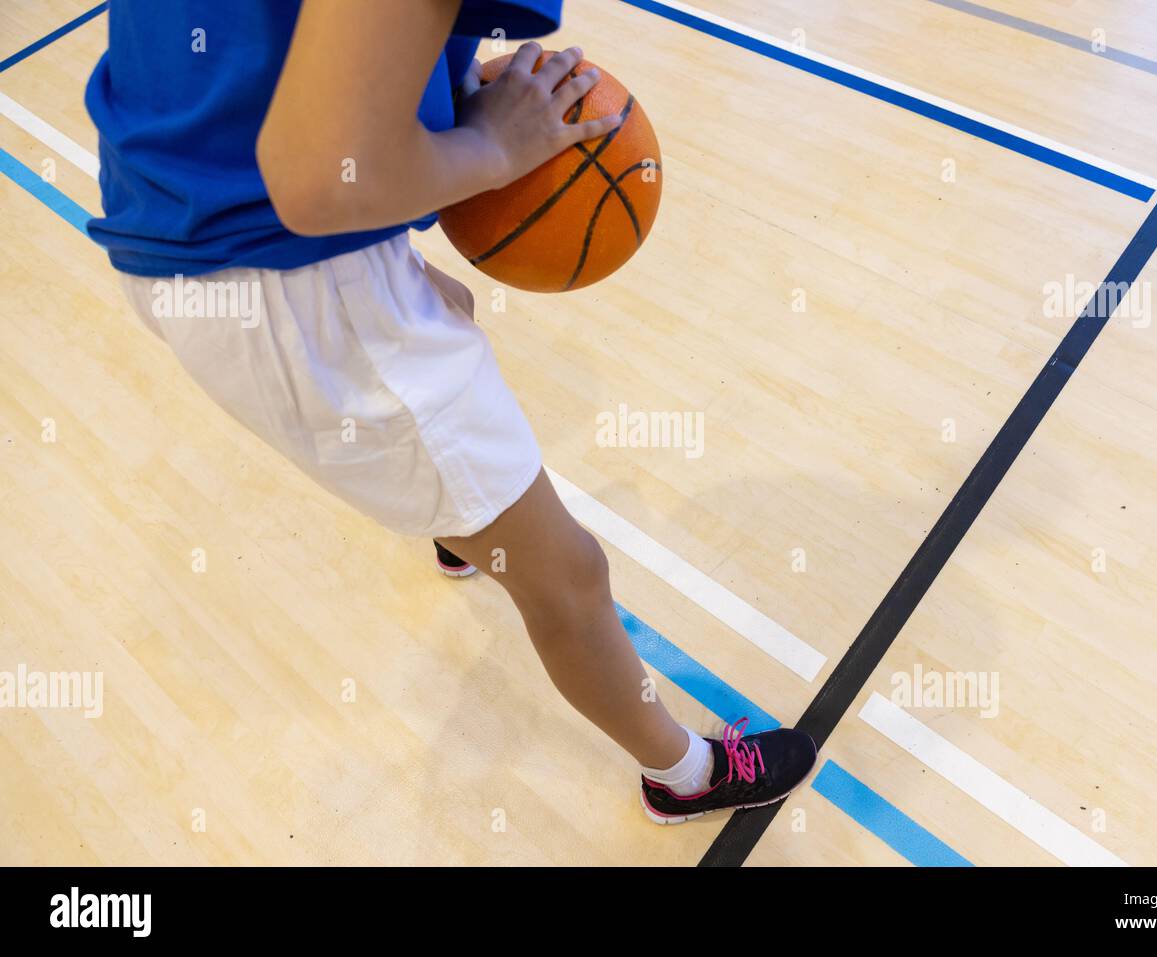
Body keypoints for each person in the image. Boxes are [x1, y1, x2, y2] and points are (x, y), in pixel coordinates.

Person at [85, 0, 816, 825]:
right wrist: (494, 147)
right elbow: (322, 182)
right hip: (275, 265)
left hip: (181, 192)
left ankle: (456, 522)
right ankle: (683, 773)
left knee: (452, 304)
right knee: (569, 576)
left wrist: (453, 84)